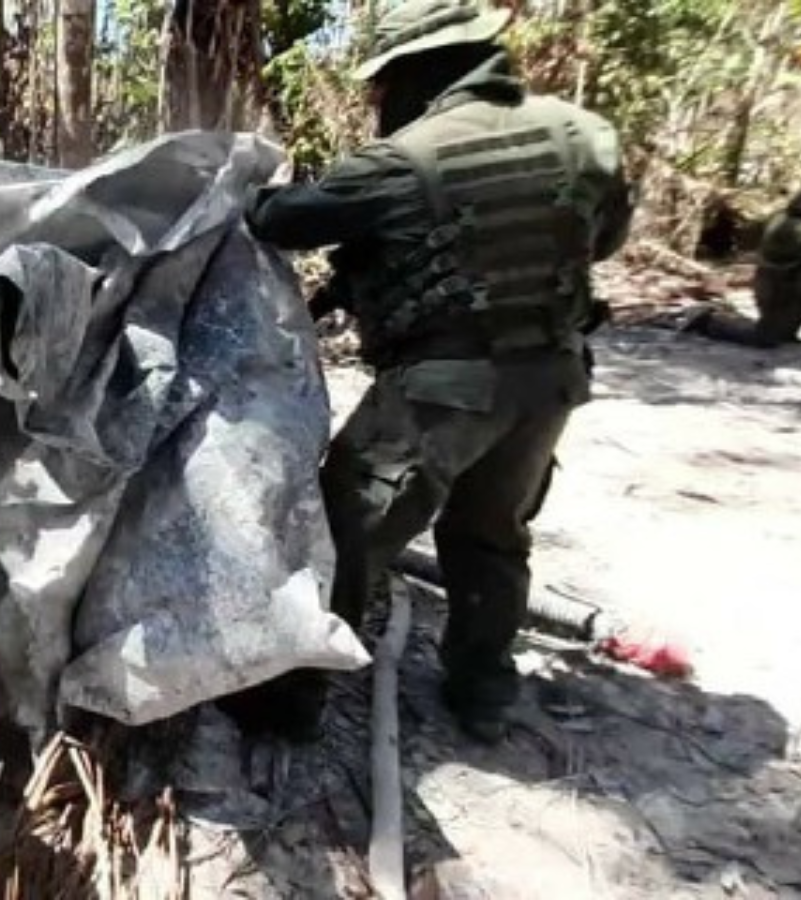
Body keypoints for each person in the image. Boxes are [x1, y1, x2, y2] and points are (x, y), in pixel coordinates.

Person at [236, 0, 634, 743]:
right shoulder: (586, 135)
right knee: (492, 531)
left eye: (382, 86)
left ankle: (291, 698)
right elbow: (601, 241)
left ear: (418, 71)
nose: (379, 103)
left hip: (443, 389)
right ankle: (483, 690)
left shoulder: (404, 160)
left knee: (346, 531)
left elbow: (280, 219)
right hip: (549, 378)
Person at [683, 192, 801, 347]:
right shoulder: (791, 226)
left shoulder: (782, 218)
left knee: (780, 335)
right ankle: (710, 321)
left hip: (780, 285)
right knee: (765, 339)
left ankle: (781, 329)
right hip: (780, 288)